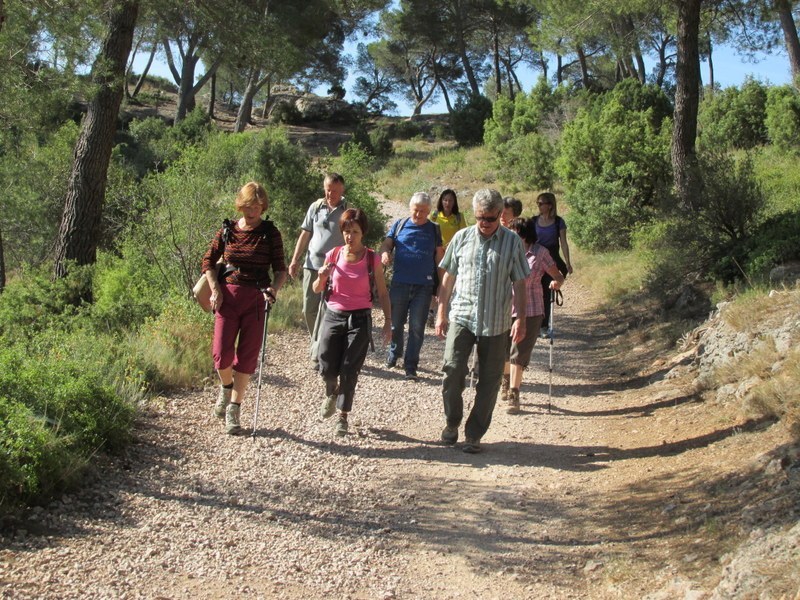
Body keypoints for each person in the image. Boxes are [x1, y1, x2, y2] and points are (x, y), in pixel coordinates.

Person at [436, 189, 530, 454]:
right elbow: (448, 277)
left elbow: (520, 282)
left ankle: (474, 434)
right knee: (452, 370)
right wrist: (441, 312)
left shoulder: (512, 242)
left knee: (489, 381)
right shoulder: (462, 237)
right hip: (462, 316)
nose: (485, 223)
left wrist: (520, 319)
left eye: (490, 218)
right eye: (480, 217)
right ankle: (452, 421)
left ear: (501, 215)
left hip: (496, 321)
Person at [201, 181, 287, 435]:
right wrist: (215, 289)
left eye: (258, 207)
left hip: (257, 299)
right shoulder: (228, 230)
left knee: (247, 357)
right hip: (228, 296)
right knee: (221, 354)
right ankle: (226, 387)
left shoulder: (270, 233)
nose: (253, 212)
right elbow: (207, 261)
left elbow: (280, 269)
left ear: (263, 206)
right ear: (241, 204)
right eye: (249, 206)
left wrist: (275, 289)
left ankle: (234, 409)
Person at [314, 208, 392, 436]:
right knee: (326, 364)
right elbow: (317, 289)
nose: (350, 236)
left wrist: (388, 321)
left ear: (363, 233)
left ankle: (343, 416)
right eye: (346, 231)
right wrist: (321, 277)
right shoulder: (333, 255)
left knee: (349, 368)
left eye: (355, 231)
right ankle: (331, 390)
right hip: (333, 314)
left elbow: (383, 293)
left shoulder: (371, 259)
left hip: (359, 318)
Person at [499, 217, 565, 414]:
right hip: (503, 309)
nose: (509, 236)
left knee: (518, 353)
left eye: (514, 233)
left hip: (531, 310)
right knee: (503, 351)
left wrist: (556, 284)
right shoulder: (504, 251)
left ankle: (514, 392)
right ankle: (505, 379)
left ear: (524, 234)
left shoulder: (540, 253)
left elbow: (558, 275)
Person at [380, 192, 444, 381]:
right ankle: (394, 353)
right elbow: (386, 245)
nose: (419, 215)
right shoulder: (399, 225)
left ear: (429, 211)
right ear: (410, 209)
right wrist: (384, 254)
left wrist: (441, 285)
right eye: (416, 210)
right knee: (396, 323)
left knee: (417, 327)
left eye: (423, 211)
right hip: (400, 283)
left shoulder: (434, 229)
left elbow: (439, 257)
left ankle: (411, 365)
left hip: (424, 286)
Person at [287, 173, 348, 368]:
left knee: (325, 311)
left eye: (336, 191)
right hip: (312, 264)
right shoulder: (315, 207)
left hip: (334, 268)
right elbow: (305, 234)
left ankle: (318, 350)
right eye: (328, 189)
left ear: (342, 191)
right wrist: (295, 259)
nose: (331, 194)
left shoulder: (347, 211)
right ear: (324, 188)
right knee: (308, 309)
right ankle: (319, 342)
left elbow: (352, 238)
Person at [534, 192, 573, 336]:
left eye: (541, 203)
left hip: (552, 262)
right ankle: (534, 325)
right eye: (537, 203)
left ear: (549, 205)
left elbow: (563, 243)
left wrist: (568, 263)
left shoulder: (558, 222)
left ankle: (543, 326)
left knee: (546, 293)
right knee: (534, 293)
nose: (538, 205)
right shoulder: (533, 221)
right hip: (536, 262)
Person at [427, 189, 468, 326]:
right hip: (435, 253)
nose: (448, 203)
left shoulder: (458, 217)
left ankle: (442, 311)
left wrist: (451, 245)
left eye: (450, 200)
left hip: (452, 255)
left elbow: (464, 235)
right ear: (441, 201)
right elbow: (427, 231)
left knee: (447, 283)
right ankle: (432, 312)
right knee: (435, 282)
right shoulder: (434, 215)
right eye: (445, 200)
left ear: (454, 202)